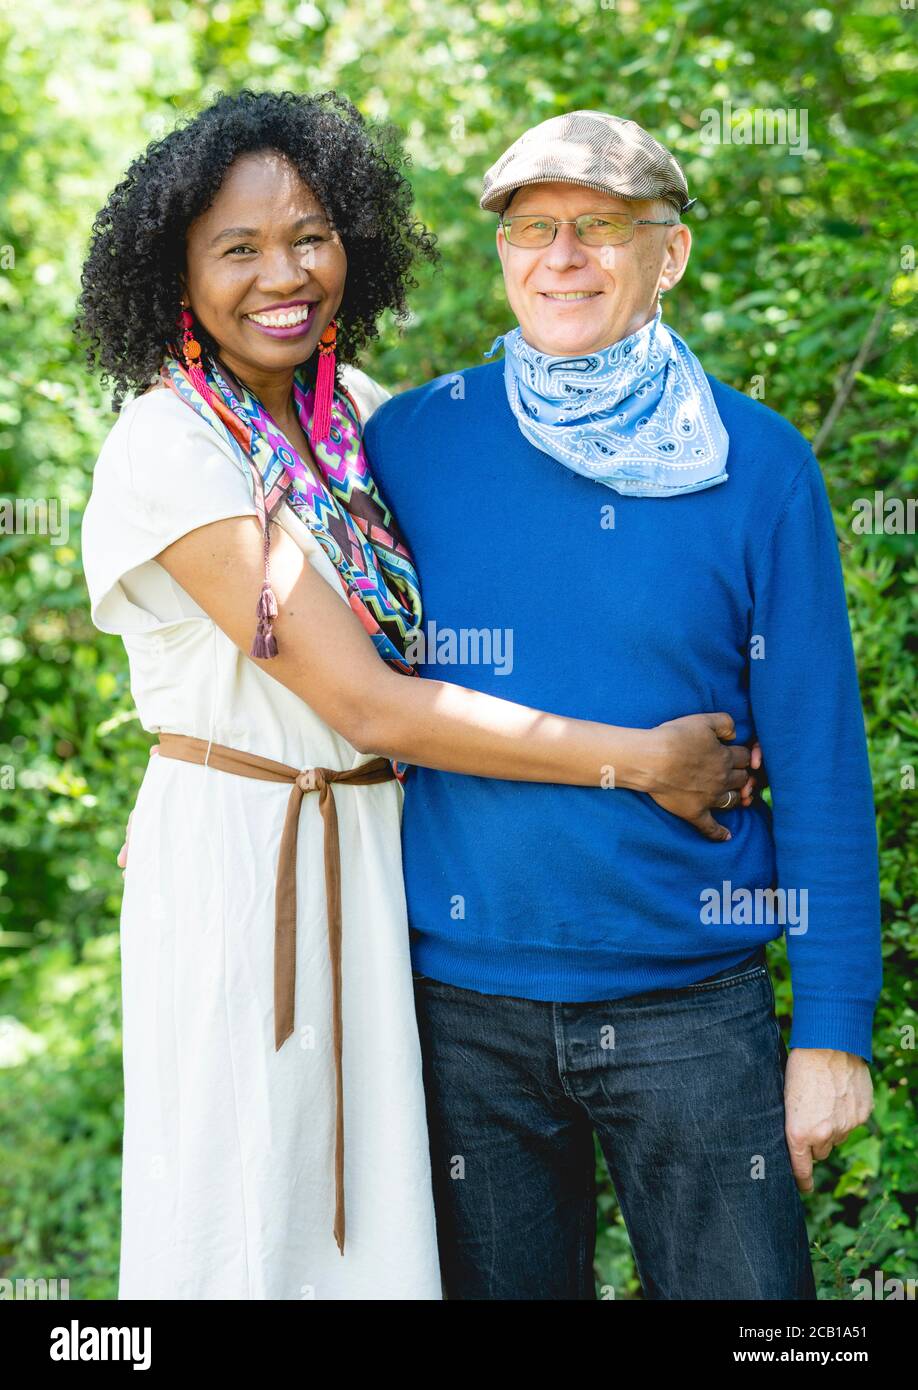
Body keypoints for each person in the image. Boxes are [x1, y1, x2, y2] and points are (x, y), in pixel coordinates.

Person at [79, 91, 758, 1301]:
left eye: (311, 235)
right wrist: (640, 760)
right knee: (252, 1205)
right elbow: (377, 706)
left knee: (381, 1227)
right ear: (175, 271)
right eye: (237, 249)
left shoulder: (361, 420)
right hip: (249, 859)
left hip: (382, 856)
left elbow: (497, 625)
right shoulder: (171, 446)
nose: (283, 274)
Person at [360, 111, 882, 1300]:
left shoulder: (757, 463)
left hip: (691, 1008)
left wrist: (834, 1028)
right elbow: (335, 666)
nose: (562, 257)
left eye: (599, 227)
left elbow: (816, 756)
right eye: (532, 228)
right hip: (458, 1006)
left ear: (671, 253)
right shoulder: (410, 443)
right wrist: (198, 784)